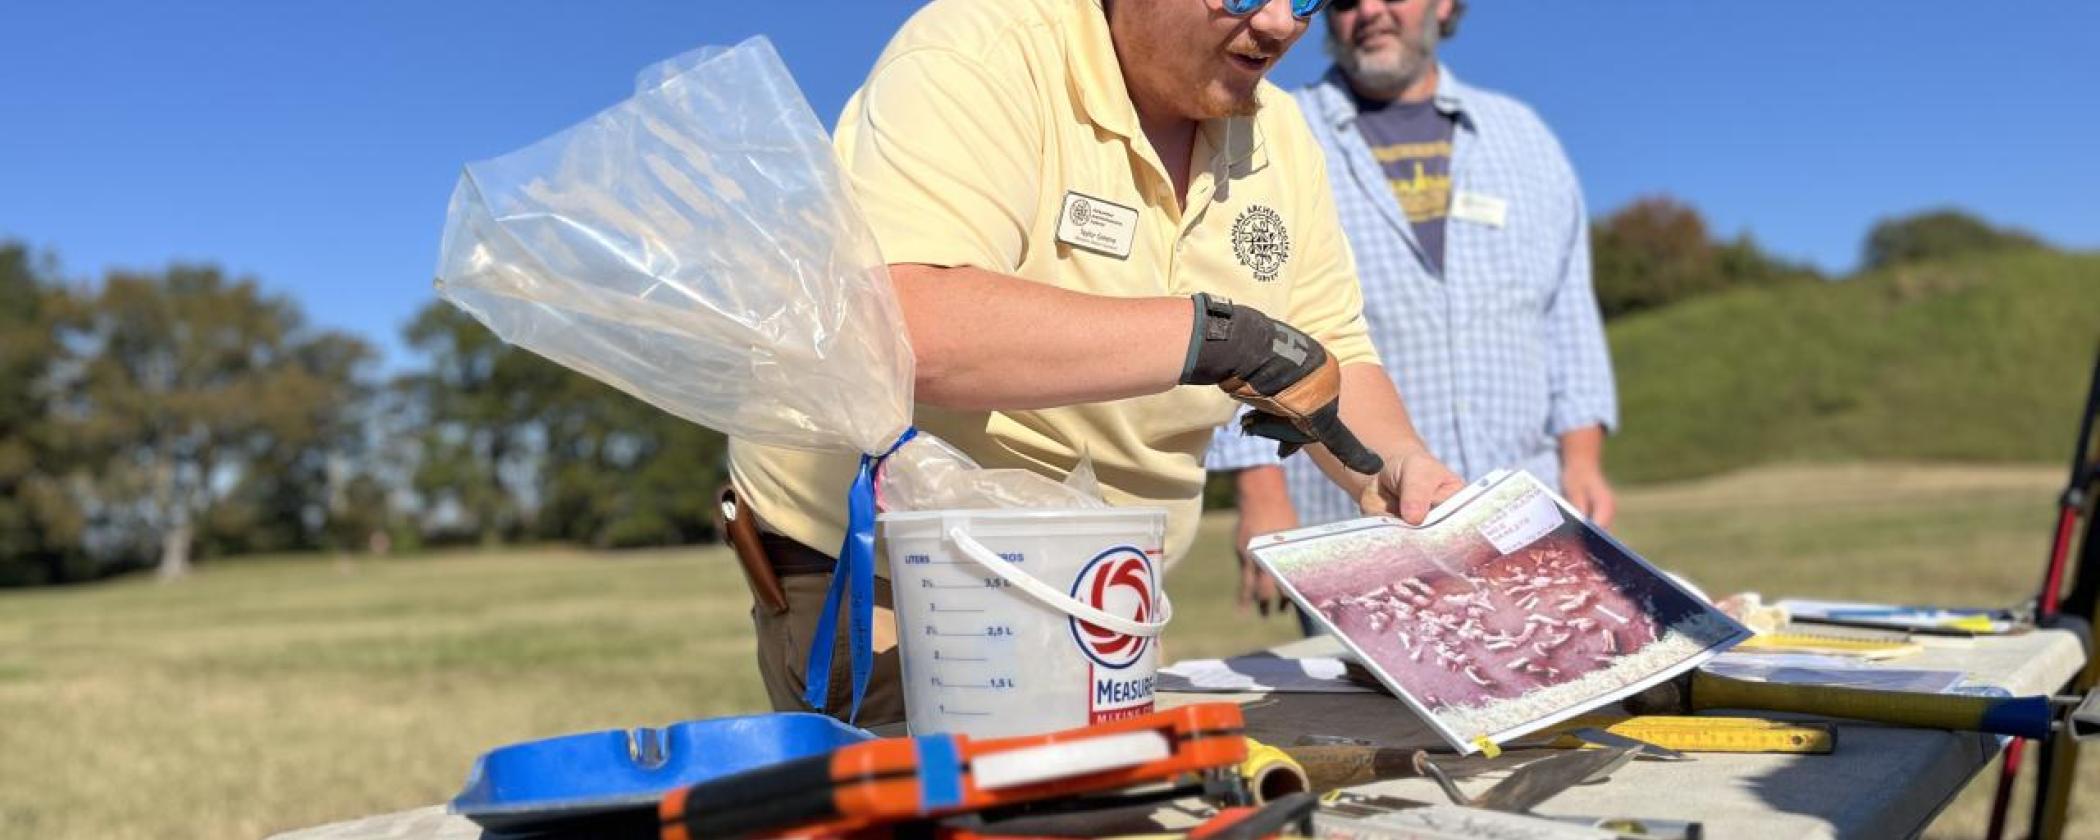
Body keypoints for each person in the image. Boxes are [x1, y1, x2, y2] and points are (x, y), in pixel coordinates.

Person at [725, 0, 1466, 726]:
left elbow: (1333, 345)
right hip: (894, 580)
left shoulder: (1280, 133)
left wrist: (1393, 465)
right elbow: (911, 326)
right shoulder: (982, 47)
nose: (1279, 23)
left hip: (1105, 588)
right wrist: (1213, 339)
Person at [1207, 0, 1619, 627]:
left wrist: (1583, 460)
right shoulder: (1271, 132)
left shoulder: (1524, 137)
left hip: (1523, 510)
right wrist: (1262, 494)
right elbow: (1241, 316)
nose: (1369, 10)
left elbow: (1567, 314)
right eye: (1343, 0)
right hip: (1359, 521)